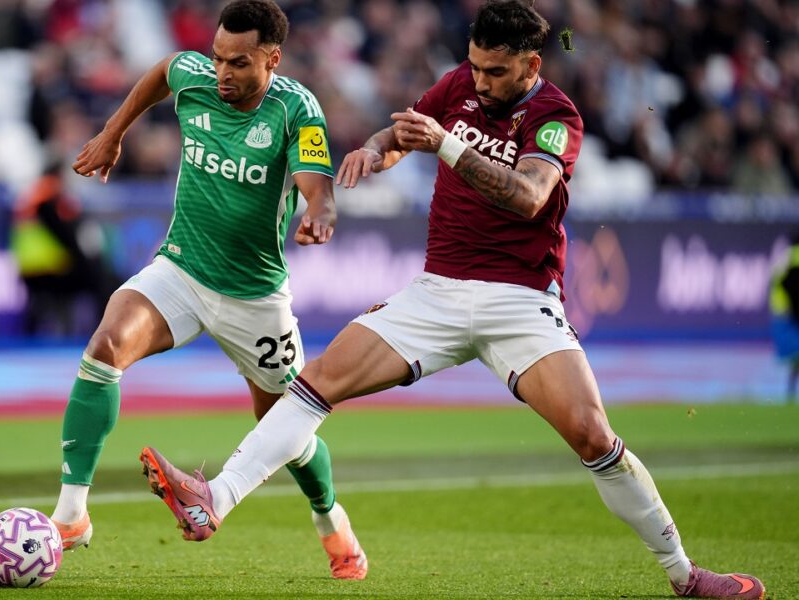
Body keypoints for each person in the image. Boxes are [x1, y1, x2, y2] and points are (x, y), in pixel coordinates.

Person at [138, 2, 765, 597]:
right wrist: (376, 149)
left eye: (497, 72)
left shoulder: (557, 116)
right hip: (437, 292)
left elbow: (528, 196)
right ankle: (215, 499)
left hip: (519, 299)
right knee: (317, 380)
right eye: (475, 66)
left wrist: (445, 144)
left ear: (531, 65)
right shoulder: (459, 85)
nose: (481, 82)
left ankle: (684, 574)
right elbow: (404, 131)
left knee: (592, 434)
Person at [53, 0, 368, 580]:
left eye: (239, 63)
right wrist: (113, 132)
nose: (222, 72)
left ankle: (331, 518)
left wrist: (320, 214)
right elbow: (162, 71)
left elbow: (316, 186)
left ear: (272, 59)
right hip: (182, 269)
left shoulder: (296, 110)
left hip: (256, 298)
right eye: (218, 58)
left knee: (286, 431)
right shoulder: (195, 77)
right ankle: (71, 515)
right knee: (104, 348)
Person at [11, 161, 119, 337]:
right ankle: (105, 334)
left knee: (96, 274)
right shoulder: (49, 201)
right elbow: (69, 240)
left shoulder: (32, 197)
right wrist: (92, 263)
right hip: (50, 269)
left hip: (29, 270)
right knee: (100, 278)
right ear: (59, 176)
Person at [768, 231, 799, 403]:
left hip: (782, 312)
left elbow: (775, 282)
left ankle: (790, 392)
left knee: (795, 358)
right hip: (791, 314)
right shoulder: (792, 259)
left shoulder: (785, 258)